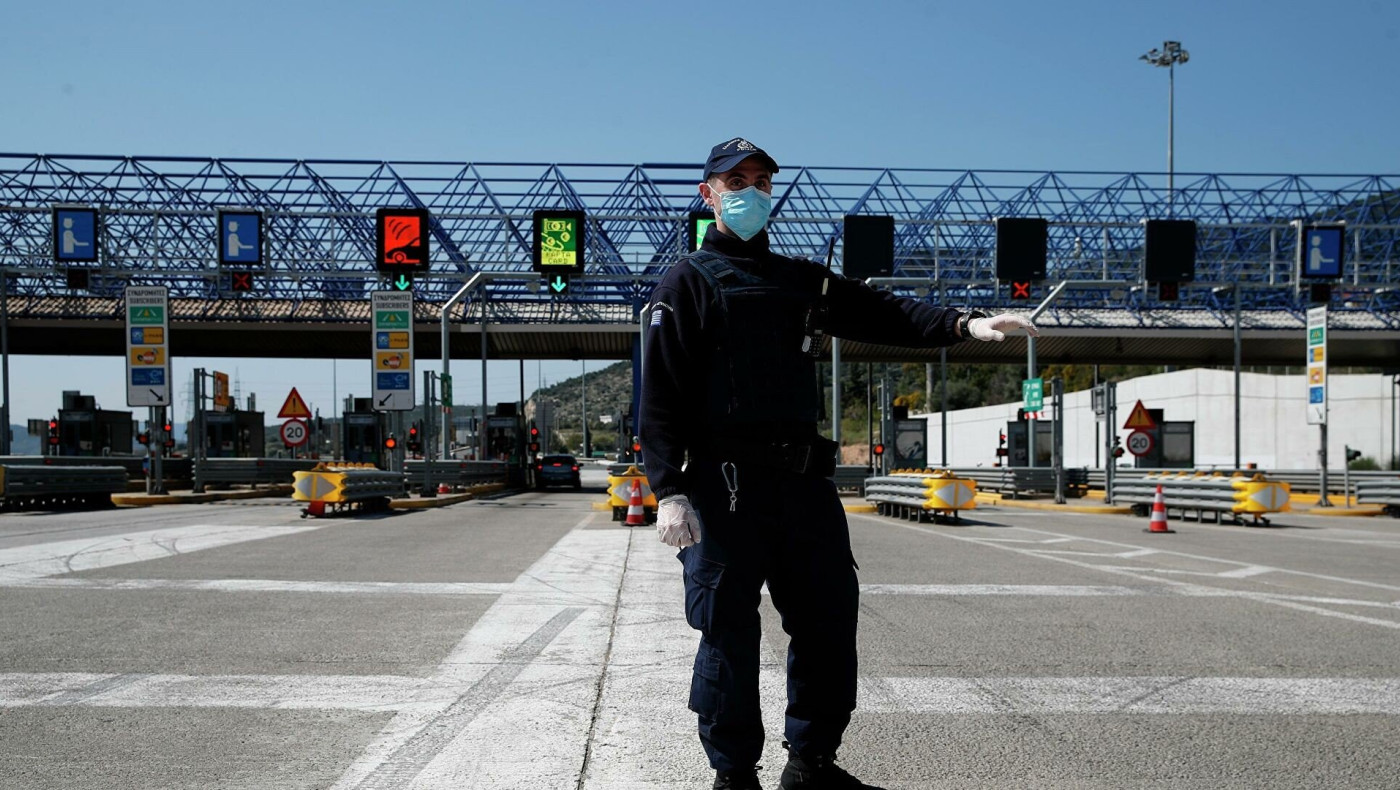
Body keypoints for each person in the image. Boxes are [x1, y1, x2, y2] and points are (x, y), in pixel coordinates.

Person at [639, 138, 1038, 790]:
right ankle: (734, 775)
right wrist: (669, 490)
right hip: (725, 488)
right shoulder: (687, 282)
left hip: (802, 484)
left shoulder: (802, 279)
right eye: (735, 179)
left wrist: (963, 325)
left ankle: (811, 766)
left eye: (761, 180)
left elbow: (881, 310)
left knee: (828, 621)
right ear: (707, 193)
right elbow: (659, 393)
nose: (750, 190)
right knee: (728, 632)